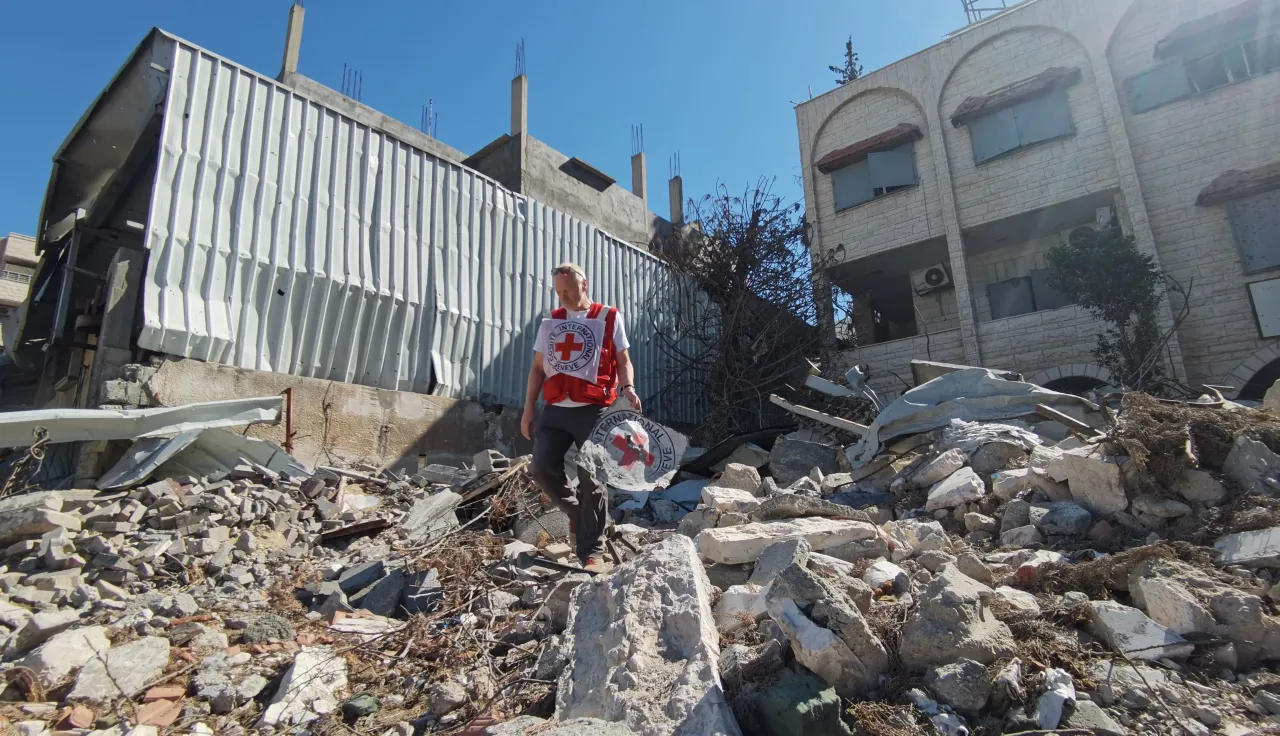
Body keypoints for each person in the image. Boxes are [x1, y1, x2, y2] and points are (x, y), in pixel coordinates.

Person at [522, 262, 642, 573]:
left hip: (593, 410)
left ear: (583, 285)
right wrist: (528, 410)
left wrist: (627, 386)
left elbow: (623, 360)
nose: (563, 297)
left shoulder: (608, 317)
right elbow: (537, 369)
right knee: (542, 469)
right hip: (556, 409)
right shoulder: (553, 321)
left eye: (569, 290)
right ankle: (578, 515)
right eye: (559, 291)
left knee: (593, 479)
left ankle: (592, 552)